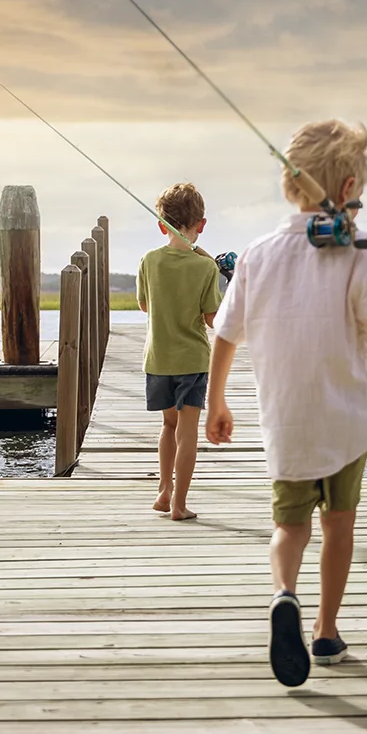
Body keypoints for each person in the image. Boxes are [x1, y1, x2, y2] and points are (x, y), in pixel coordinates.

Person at [204, 120, 367, 687]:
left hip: (285, 420)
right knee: (338, 525)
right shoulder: (361, 250)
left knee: (288, 526)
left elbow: (225, 334)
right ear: (347, 189)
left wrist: (216, 401)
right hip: (344, 420)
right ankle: (325, 630)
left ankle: (283, 595)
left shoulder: (257, 253)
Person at [138, 181, 222, 522]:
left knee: (168, 428)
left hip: (158, 360)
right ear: (201, 225)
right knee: (188, 433)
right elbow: (212, 319)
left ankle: (164, 491)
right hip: (192, 361)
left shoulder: (149, 261)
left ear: (162, 225)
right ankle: (180, 505)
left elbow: (145, 306)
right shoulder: (206, 268)